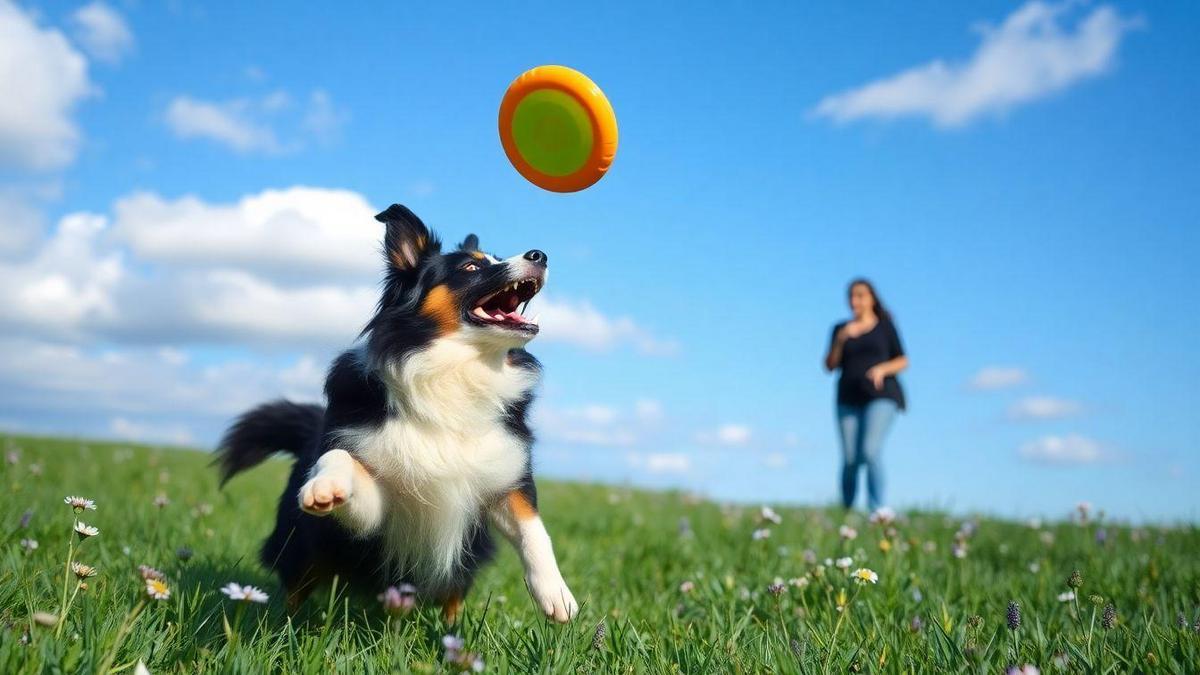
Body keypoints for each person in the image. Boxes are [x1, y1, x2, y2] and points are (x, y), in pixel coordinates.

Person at [824, 279, 908, 511]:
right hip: (848, 398)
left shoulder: (885, 327)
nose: (855, 301)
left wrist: (882, 369)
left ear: (872, 298)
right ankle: (847, 510)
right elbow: (829, 365)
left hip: (881, 396)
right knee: (850, 458)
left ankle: (877, 510)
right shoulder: (840, 329)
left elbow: (903, 360)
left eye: (860, 296)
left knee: (870, 450)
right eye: (851, 296)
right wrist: (841, 340)